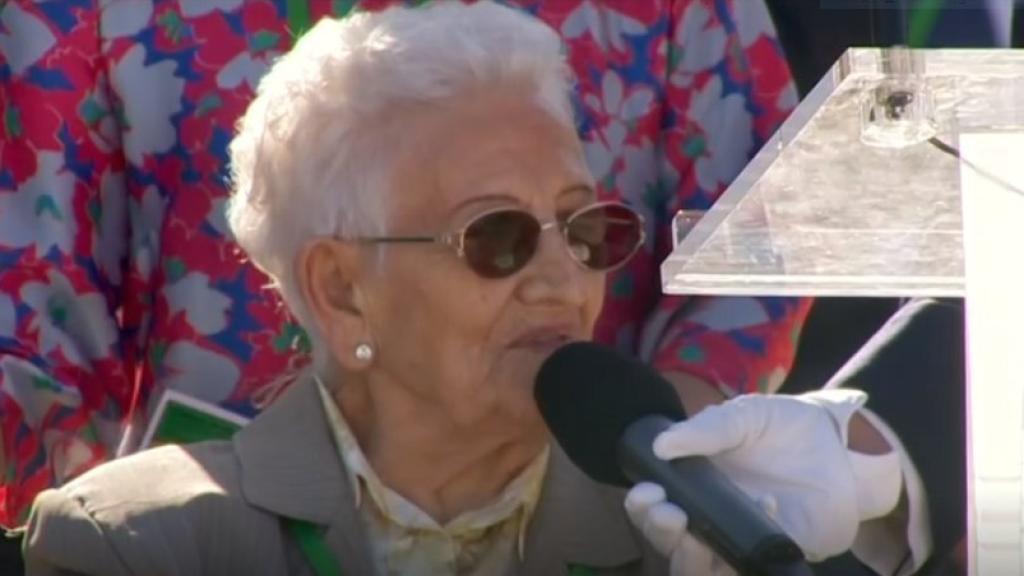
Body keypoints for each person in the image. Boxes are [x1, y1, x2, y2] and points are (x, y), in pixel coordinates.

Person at [17, 4, 924, 575]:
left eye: (587, 230)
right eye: (497, 240)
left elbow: (771, 226)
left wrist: (665, 446)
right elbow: (32, 314)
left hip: (591, 478)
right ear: (334, 290)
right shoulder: (133, 544)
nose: (563, 274)